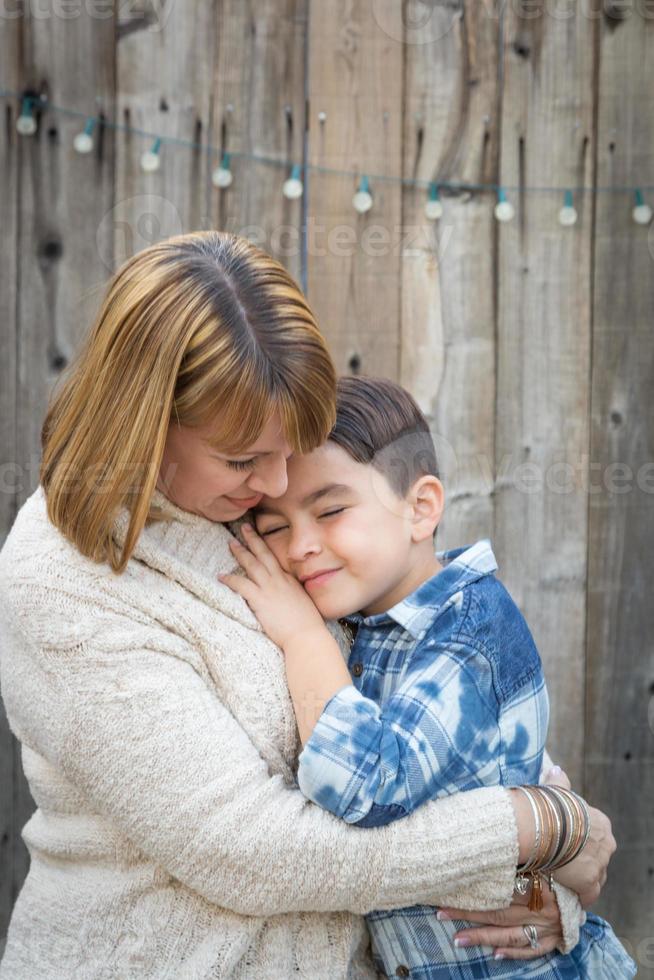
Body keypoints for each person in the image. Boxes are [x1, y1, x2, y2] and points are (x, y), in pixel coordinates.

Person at [0, 232, 614, 979]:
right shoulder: (67, 576)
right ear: (146, 425)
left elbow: (423, 686)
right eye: (243, 458)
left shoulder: (262, 513)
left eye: (291, 443)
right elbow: (252, 851)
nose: (277, 479)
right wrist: (529, 830)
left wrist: (555, 861)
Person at [222, 375, 635, 978]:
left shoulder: (470, 627)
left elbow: (367, 787)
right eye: (275, 526)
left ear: (421, 509)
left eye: (331, 510)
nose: (300, 546)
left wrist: (302, 639)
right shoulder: (363, 623)